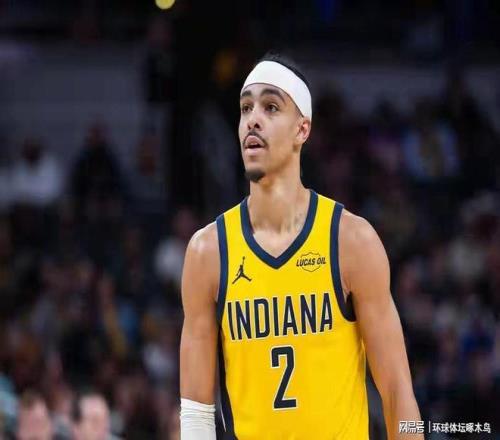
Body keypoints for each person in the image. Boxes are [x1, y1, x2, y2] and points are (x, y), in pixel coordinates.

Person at [179, 52, 422, 439]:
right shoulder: (208, 253)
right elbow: (196, 413)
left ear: (302, 129)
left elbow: (397, 392)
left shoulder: (351, 242)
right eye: (245, 108)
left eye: (271, 107)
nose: (252, 119)